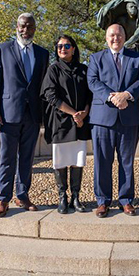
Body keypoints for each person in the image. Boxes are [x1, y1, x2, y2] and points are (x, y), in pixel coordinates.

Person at [0, 13, 50, 217]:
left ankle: (22, 195)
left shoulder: (42, 53)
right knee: (6, 158)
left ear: (34, 29)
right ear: (17, 26)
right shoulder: (3, 49)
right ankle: (3, 199)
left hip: (32, 115)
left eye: (30, 27)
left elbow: (43, 85)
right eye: (23, 26)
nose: (26, 30)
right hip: (8, 114)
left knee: (27, 158)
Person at [87, 24, 139, 217]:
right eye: (112, 35)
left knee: (126, 162)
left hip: (128, 118)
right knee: (102, 162)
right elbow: (93, 81)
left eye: (119, 35)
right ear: (106, 38)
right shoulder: (96, 58)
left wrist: (127, 95)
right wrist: (112, 97)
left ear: (125, 37)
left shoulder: (137, 59)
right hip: (102, 119)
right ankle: (103, 201)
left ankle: (126, 200)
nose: (116, 38)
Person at [41, 35, 92, 214]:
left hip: (80, 123)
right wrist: (74, 114)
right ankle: (62, 197)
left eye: (67, 45)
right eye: (59, 46)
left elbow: (89, 94)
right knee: (61, 161)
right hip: (61, 122)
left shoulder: (84, 69)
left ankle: (76, 198)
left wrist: (84, 113)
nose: (63, 48)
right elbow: (50, 95)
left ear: (74, 49)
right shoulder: (53, 70)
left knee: (78, 161)